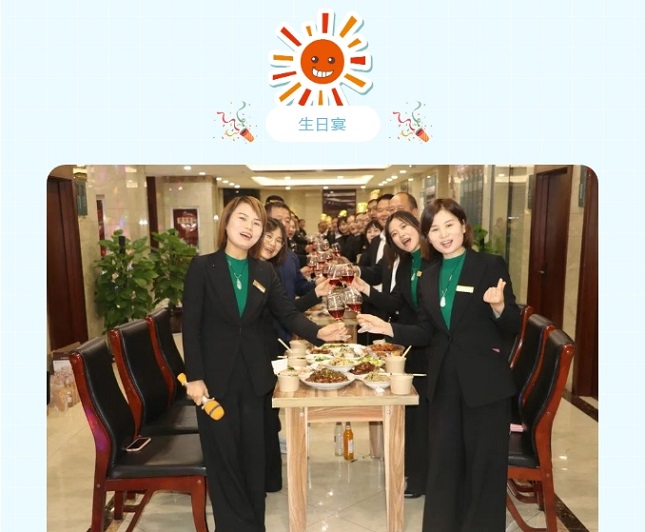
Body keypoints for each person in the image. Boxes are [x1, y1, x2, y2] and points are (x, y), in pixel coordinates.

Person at [182, 196, 347, 532]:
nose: (249, 227)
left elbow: (287, 313)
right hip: (214, 380)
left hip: (255, 379)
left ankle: (254, 525)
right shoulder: (203, 267)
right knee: (223, 458)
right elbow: (191, 325)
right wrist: (195, 377)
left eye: (256, 222)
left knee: (253, 458)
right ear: (227, 222)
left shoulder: (263, 270)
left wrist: (319, 333)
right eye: (242, 219)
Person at [356, 198, 520, 532]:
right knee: (444, 465)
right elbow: (426, 332)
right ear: (427, 235)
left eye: (449, 225)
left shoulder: (489, 265)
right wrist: (387, 327)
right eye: (435, 229)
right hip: (443, 382)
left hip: (484, 383)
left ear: (463, 225)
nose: (443, 235)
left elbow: (512, 325)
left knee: (483, 468)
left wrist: (500, 307)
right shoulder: (428, 277)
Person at [351, 210, 432, 498]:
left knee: (420, 415)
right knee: (411, 413)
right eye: (394, 234)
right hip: (411, 344)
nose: (401, 236)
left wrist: (389, 328)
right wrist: (363, 287)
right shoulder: (408, 262)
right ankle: (412, 471)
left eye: (404, 228)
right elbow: (397, 301)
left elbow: (427, 318)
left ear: (418, 225)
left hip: (428, 347)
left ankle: (421, 478)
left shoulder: (433, 261)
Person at [258, 217, 331, 493]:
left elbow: (286, 310)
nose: (273, 243)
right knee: (263, 415)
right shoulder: (248, 268)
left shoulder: (270, 267)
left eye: (279, 240)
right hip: (255, 353)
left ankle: (270, 480)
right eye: (268, 236)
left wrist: (319, 333)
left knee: (269, 414)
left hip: (273, 345)